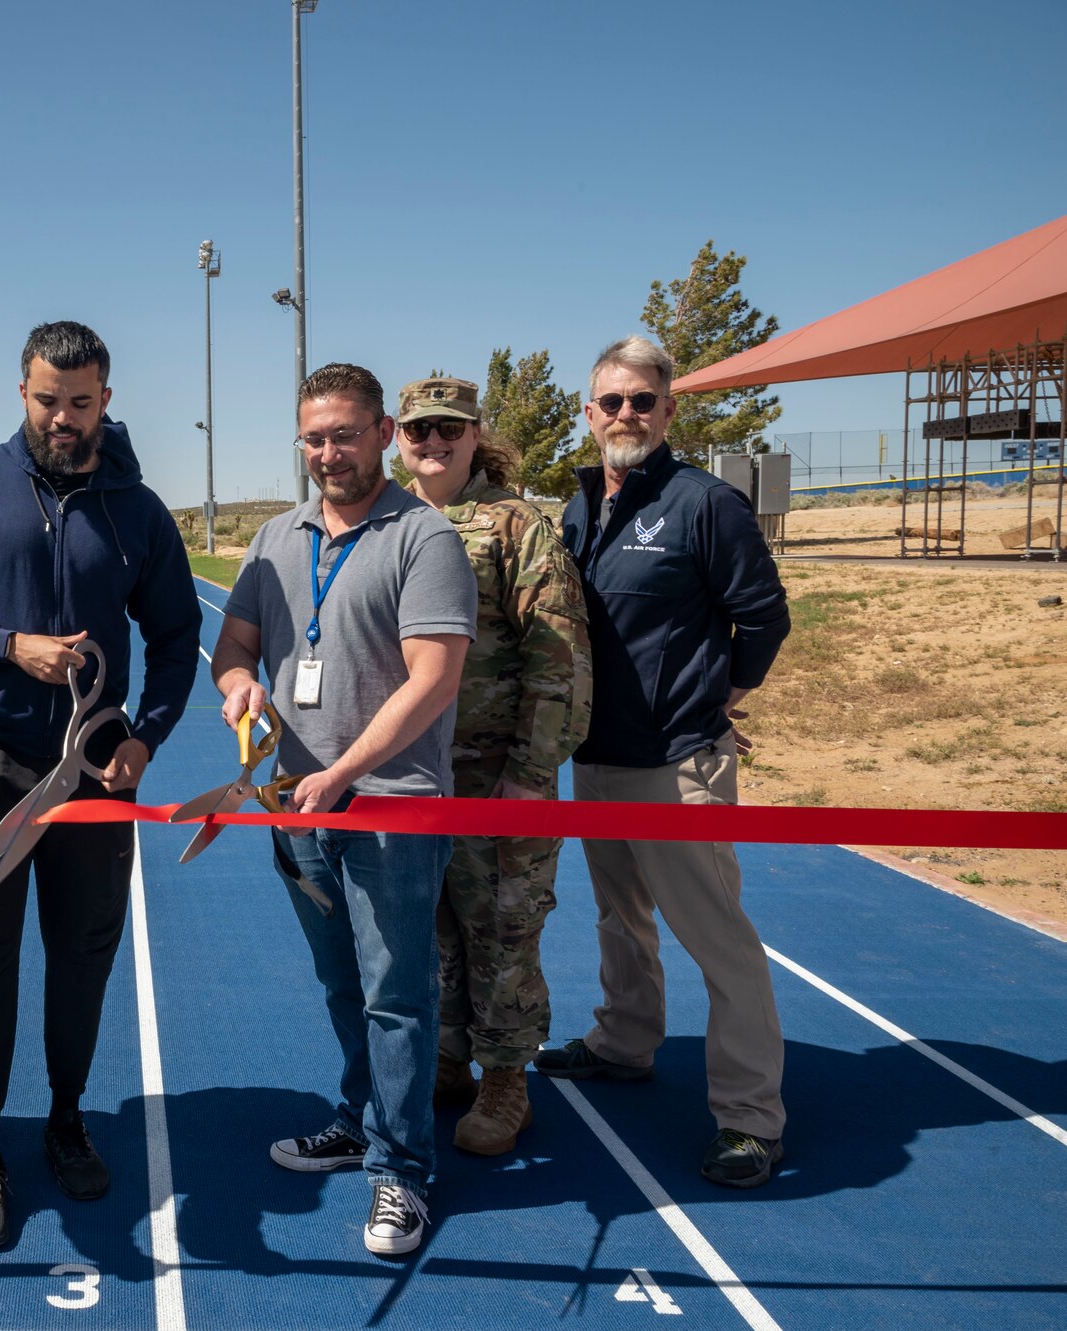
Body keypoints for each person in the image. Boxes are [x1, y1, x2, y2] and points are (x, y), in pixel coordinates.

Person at [0, 320, 201, 1249]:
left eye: (80, 401)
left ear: (106, 399)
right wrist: (4, 645)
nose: (62, 418)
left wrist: (145, 738)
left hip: (98, 775)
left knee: (83, 955)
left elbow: (177, 637)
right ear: (19, 392)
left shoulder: (136, 510)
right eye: (46, 400)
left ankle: (66, 1117)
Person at [209, 361, 475, 1257]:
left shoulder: (422, 538)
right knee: (340, 981)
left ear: (384, 432)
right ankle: (362, 1117)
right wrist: (240, 683)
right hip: (295, 805)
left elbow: (435, 676)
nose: (328, 453)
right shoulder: (276, 537)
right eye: (313, 438)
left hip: (391, 807)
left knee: (398, 993)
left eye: (345, 434)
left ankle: (401, 1172)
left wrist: (347, 770)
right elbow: (235, 643)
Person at [536, 335, 793, 1189]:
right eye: (610, 401)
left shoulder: (705, 504)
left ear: (669, 409)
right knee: (620, 917)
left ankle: (751, 1117)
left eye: (642, 400)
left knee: (718, 939)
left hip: (677, 762)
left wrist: (722, 695)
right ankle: (624, 1041)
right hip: (598, 757)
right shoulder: (579, 505)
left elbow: (764, 618)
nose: (625, 415)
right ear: (588, 412)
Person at [392, 375, 591, 1158]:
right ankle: (447, 1057)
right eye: (419, 430)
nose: (433, 443)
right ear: (397, 437)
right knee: (433, 928)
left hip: (495, 776)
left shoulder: (515, 526)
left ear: (476, 435)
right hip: (413, 776)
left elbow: (559, 654)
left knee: (505, 930)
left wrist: (534, 773)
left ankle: (507, 1075)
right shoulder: (395, 521)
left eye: (450, 429)